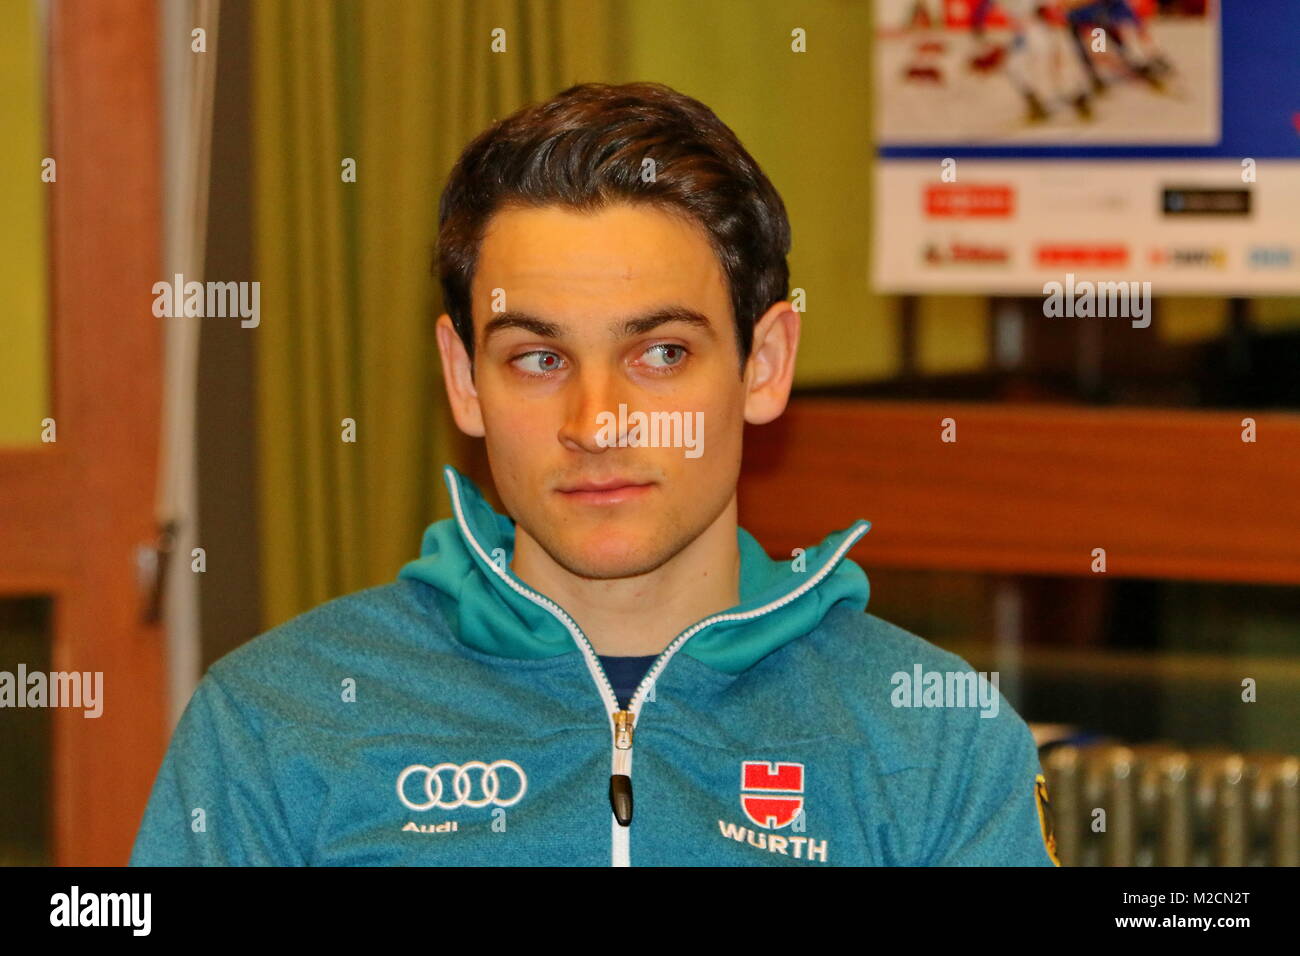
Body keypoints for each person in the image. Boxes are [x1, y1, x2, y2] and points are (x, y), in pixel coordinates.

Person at [130, 81, 1059, 867]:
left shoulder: (935, 743)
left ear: (764, 365)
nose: (594, 423)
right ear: (464, 381)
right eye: (538, 359)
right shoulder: (274, 723)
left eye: (659, 354)